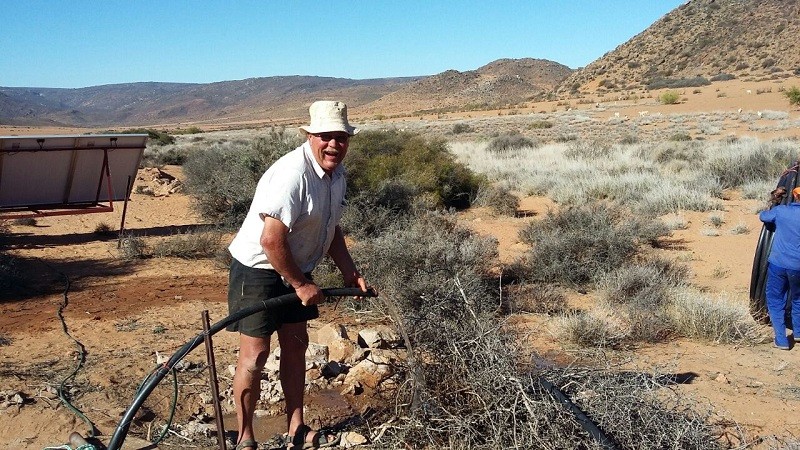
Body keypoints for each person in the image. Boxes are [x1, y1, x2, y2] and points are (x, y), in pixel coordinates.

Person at [226, 100, 369, 449]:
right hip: (259, 268)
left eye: (341, 137)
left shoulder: (337, 176)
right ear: (310, 136)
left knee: (296, 347)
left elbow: (331, 229)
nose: (334, 144)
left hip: (297, 268)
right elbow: (271, 240)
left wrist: (350, 273)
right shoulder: (292, 174)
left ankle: (296, 428)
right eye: (325, 136)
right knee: (256, 355)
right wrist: (301, 284)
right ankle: (245, 437)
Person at [759, 186, 800, 350]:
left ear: (794, 196)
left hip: (779, 264)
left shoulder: (781, 211)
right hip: (798, 267)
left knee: (776, 300)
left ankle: (782, 340)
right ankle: (798, 333)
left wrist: (774, 198)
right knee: (798, 298)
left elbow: (763, 216)